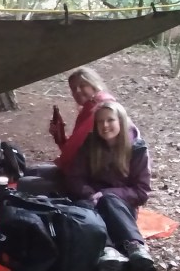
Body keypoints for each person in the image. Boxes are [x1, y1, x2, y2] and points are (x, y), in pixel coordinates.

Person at [65, 101, 156, 271]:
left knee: (109, 200)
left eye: (110, 120)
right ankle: (107, 251)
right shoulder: (90, 145)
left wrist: (107, 194)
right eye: (100, 122)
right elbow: (75, 178)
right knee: (84, 209)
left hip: (122, 208)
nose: (105, 125)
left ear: (121, 121)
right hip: (91, 201)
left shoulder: (137, 149)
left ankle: (136, 247)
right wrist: (90, 194)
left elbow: (142, 192)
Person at [18, 66, 118, 195]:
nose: (77, 91)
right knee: (30, 171)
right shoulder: (88, 108)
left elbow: (74, 153)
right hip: (77, 173)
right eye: (73, 88)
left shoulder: (101, 110)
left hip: (89, 183)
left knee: (24, 183)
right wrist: (60, 137)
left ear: (94, 85)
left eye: (82, 85)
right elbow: (76, 149)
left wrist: (63, 162)